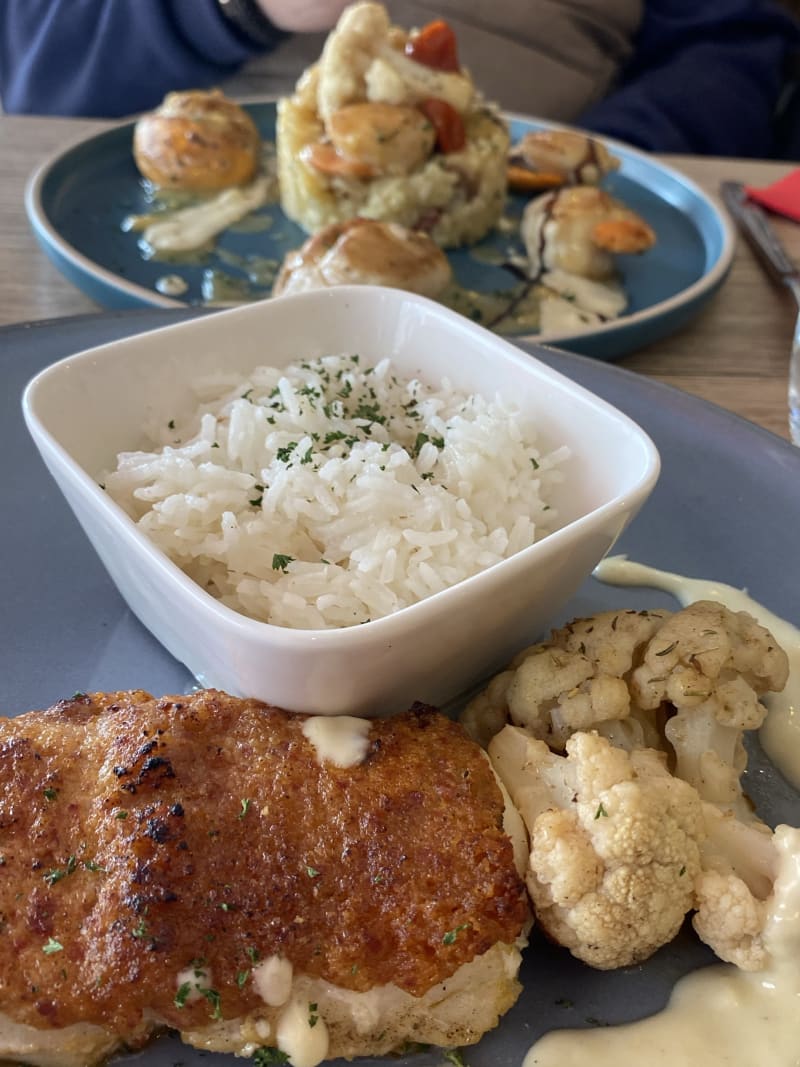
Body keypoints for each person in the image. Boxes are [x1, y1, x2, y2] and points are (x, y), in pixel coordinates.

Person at [1, 0, 799, 157]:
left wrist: (591, 157)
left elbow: (732, 44)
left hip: (552, 206)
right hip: (189, 239)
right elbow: (39, 76)